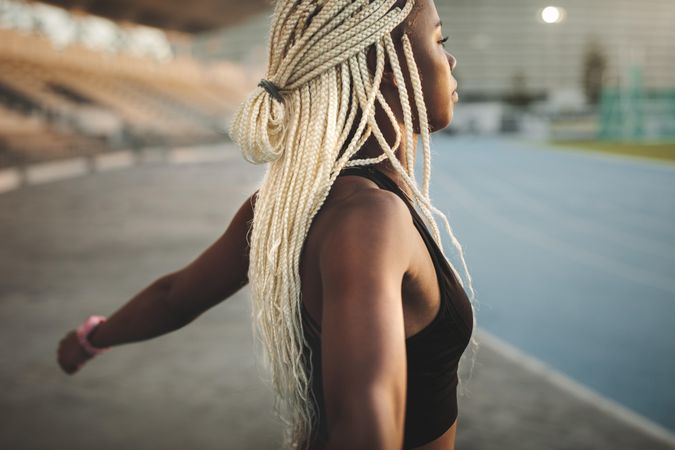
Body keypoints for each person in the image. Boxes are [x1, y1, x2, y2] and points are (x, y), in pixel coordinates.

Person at [57, 0, 479, 449]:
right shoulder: (369, 222)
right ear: (390, 70)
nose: (450, 60)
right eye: (439, 41)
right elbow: (363, 420)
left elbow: (175, 297)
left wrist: (91, 338)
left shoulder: (290, 204)